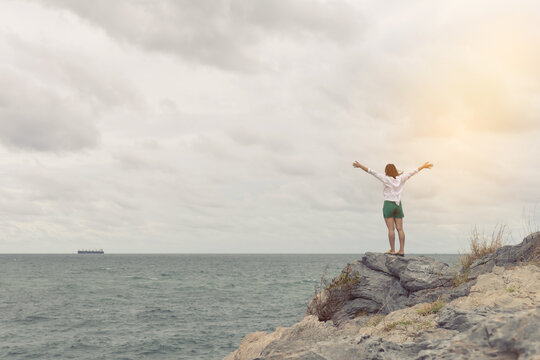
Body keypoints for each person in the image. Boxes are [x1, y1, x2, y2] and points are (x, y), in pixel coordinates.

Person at [352, 161, 433, 256]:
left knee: (391, 229)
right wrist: (423, 166)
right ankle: (402, 250)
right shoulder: (401, 178)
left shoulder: (385, 178)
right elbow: (412, 172)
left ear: (387, 171)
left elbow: (371, 171)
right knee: (400, 229)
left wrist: (360, 165)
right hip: (398, 205)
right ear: (395, 170)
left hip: (388, 204)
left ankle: (393, 250)